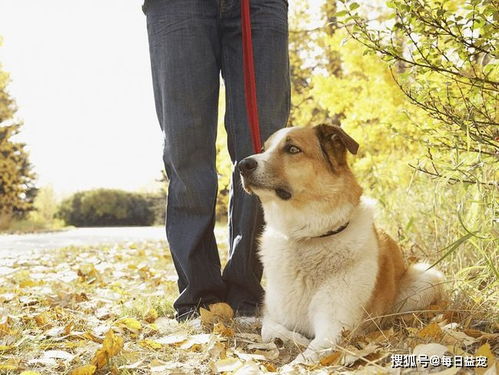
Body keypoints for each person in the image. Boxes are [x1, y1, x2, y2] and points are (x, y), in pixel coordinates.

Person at [143, 0, 290, 321]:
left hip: (258, 7)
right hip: (176, 8)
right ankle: (200, 298)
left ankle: (247, 293)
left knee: (263, 155)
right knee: (186, 153)